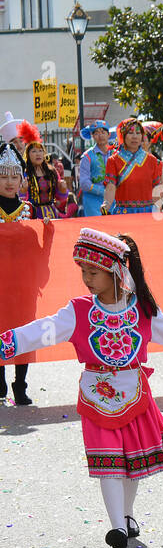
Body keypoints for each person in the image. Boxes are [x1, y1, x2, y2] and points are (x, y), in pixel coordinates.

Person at [0, 229, 163, 548]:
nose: (86, 278)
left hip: (133, 390)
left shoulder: (142, 310)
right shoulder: (79, 311)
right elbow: (42, 330)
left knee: (130, 461)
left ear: (115, 271)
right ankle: (117, 526)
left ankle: (126, 516)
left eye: (93, 272)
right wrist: (7, 344)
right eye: (83, 272)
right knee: (109, 460)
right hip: (96, 393)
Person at [0, 146, 47, 404]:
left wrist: (48, 234)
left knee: (23, 334)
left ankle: (20, 384)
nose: (9, 182)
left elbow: (39, 254)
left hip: (23, 286)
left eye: (13, 176)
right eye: (3, 176)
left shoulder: (29, 209)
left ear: (21, 180)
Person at [102, 117, 163, 215]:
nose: (134, 137)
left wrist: (159, 208)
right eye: (130, 133)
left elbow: (158, 189)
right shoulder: (113, 161)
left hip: (148, 213)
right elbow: (111, 187)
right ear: (123, 135)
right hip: (124, 213)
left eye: (138, 133)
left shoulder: (153, 161)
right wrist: (106, 204)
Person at [17, 124, 70, 220]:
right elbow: (20, 201)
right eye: (33, 151)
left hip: (51, 214)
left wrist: (62, 190)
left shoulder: (52, 171)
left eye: (40, 151)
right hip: (32, 215)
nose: (38, 154)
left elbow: (60, 201)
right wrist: (23, 192)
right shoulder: (24, 173)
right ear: (28, 155)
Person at [78, 120, 115, 218]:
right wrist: (105, 192)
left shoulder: (116, 154)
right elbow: (84, 183)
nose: (100, 135)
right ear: (93, 136)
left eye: (103, 132)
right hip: (93, 202)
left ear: (109, 134)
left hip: (114, 201)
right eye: (96, 133)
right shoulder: (87, 156)